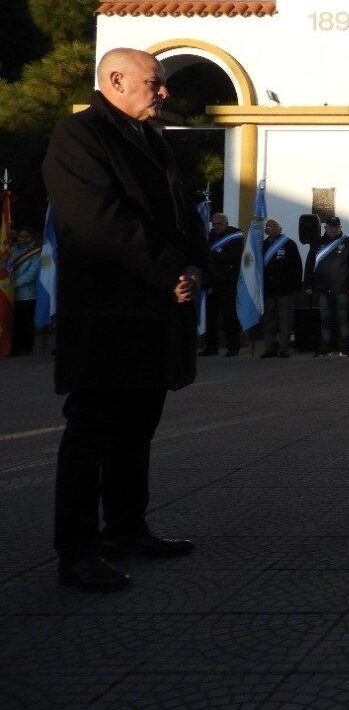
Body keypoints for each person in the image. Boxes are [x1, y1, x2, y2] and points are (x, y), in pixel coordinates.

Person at [43, 48, 208, 592]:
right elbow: (99, 223)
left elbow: (187, 216)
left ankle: (128, 527)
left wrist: (195, 267)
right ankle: (77, 548)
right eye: (154, 82)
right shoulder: (80, 137)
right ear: (115, 79)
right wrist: (170, 271)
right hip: (105, 314)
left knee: (138, 428)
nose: (164, 92)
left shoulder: (153, 140)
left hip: (153, 314)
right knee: (92, 430)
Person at [304, 216, 349, 357]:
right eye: (330, 227)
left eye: (336, 227)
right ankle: (326, 347)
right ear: (325, 227)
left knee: (343, 319)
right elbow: (310, 264)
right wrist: (308, 284)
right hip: (322, 288)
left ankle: (344, 348)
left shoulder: (348, 243)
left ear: (340, 227)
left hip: (342, 288)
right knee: (325, 319)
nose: (333, 229)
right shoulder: (317, 243)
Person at [202, 212, 243, 357]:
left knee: (228, 316)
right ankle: (211, 347)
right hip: (211, 282)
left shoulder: (235, 235)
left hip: (227, 282)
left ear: (226, 223)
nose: (216, 227)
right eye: (213, 224)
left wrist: (212, 256)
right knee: (210, 317)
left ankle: (233, 346)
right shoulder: (209, 236)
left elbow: (232, 256)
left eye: (219, 224)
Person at [259, 218, 302, 358]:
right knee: (269, 320)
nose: (269, 228)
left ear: (280, 229)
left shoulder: (289, 244)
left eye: (272, 226)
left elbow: (297, 267)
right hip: (268, 289)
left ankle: (284, 348)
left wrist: (296, 286)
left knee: (285, 319)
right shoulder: (262, 245)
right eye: (267, 227)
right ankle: (269, 347)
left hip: (285, 289)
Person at [8, 226, 40, 355]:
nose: (22, 239)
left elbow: (32, 274)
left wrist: (14, 284)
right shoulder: (13, 250)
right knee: (14, 322)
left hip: (27, 294)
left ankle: (27, 347)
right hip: (12, 294)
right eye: (20, 236)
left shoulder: (35, 252)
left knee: (26, 322)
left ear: (30, 237)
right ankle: (15, 346)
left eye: (25, 236)